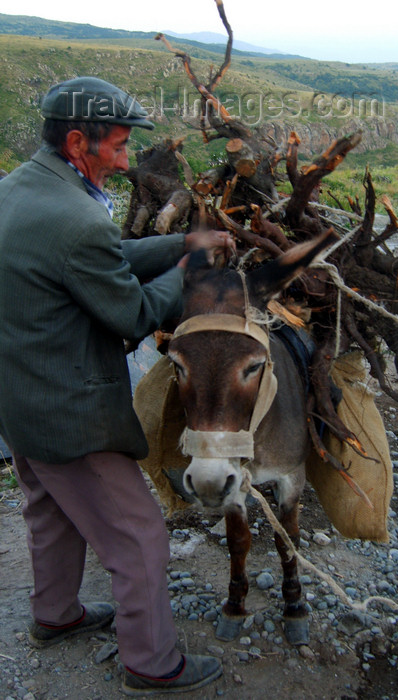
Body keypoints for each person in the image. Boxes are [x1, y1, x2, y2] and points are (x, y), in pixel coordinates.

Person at [0, 77, 234, 695]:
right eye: (121, 146)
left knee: (49, 512)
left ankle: (56, 615)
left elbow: (92, 260)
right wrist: (187, 270)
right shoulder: (77, 218)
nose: (129, 160)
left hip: (19, 401)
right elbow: (132, 314)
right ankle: (154, 664)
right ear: (80, 141)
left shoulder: (20, 190)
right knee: (138, 535)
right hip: (69, 410)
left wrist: (179, 243)